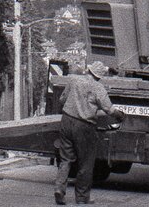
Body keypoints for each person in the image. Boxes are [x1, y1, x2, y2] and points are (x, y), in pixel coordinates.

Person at [53, 61, 123, 205]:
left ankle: (59, 189)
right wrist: (120, 115)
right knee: (86, 162)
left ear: (89, 71)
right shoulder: (98, 88)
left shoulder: (73, 80)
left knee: (66, 159)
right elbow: (109, 109)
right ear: (99, 76)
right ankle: (82, 197)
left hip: (66, 121)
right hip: (84, 126)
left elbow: (62, 99)